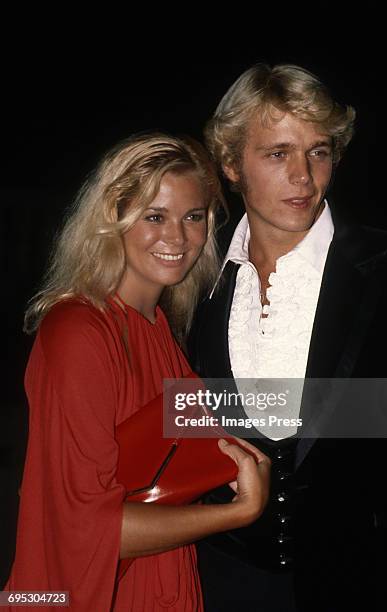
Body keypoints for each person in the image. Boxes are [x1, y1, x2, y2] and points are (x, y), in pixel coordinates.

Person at [5, 133, 271, 611]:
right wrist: (240, 511)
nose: (178, 237)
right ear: (113, 219)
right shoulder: (79, 332)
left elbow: (221, 422)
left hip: (163, 583)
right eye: (154, 216)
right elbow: (88, 527)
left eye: (193, 217)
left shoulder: (159, 332)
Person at [188, 64, 387, 611]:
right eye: (277, 153)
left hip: (369, 582)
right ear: (230, 163)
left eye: (319, 151)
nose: (304, 176)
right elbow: (181, 416)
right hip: (219, 581)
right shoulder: (189, 277)